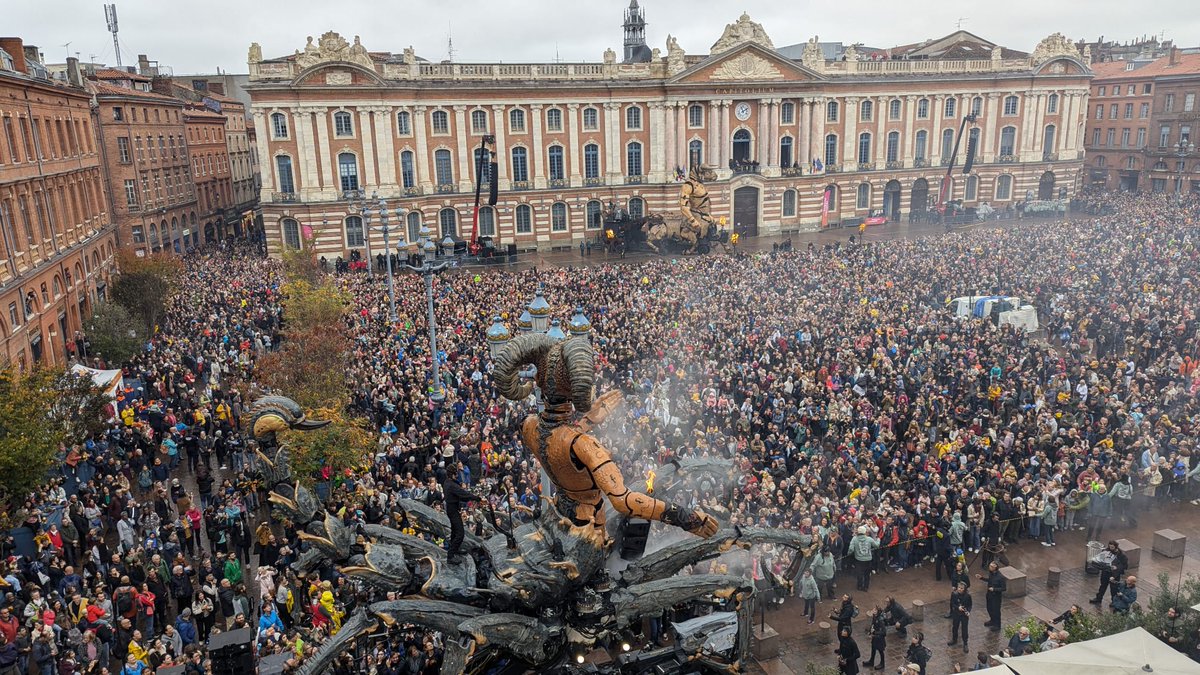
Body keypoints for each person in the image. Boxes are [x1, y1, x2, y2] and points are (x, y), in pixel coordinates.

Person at [442, 460, 477, 563]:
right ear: (453, 474)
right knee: (460, 533)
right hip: (453, 510)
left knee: (454, 531)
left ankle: (455, 550)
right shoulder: (452, 485)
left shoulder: (447, 482)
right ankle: (450, 556)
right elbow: (463, 494)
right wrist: (476, 498)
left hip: (451, 509)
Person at [1090, 541, 1128, 605]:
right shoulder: (1106, 551)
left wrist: (1117, 568)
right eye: (1110, 547)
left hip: (1114, 574)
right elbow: (1100, 559)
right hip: (1105, 572)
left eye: (1112, 547)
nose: (1110, 548)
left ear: (1116, 547)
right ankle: (1098, 599)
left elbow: (1124, 566)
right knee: (1102, 586)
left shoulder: (1121, 555)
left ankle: (1114, 601)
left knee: (1114, 589)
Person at [849, 526, 879, 591]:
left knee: (859, 574)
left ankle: (859, 586)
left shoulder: (854, 539)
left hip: (859, 560)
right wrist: (878, 539)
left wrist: (849, 554)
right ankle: (866, 587)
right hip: (868, 560)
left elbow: (851, 549)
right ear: (865, 532)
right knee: (867, 574)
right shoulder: (869, 539)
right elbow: (876, 545)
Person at [977, 561, 1006, 629]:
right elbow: (990, 580)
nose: (989, 567)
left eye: (991, 566)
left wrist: (994, 589)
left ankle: (997, 625)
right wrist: (981, 578)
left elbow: (1004, 588)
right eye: (990, 566)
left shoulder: (1000, 577)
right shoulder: (991, 573)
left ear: (995, 568)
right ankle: (992, 620)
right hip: (989, 594)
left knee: (996, 611)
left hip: (996, 597)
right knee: (989, 608)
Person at [947, 581, 971, 653]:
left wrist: (968, 611)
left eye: (961, 588)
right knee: (955, 627)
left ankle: (965, 643)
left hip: (964, 614)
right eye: (959, 588)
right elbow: (952, 603)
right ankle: (954, 639)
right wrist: (958, 607)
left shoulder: (968, 596)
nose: (960, 589)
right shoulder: (954, 594)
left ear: (964, 589)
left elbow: (970, 605)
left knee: (964, 629)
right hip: (956, 613)